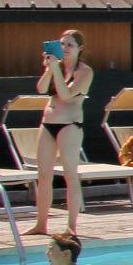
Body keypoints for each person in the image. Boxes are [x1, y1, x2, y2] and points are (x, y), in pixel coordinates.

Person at [30, 29, 93, 237]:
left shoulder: (85, 72)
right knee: (43, 175)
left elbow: (66, 96)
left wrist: (56, 70)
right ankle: (41, 224)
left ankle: (71, 226)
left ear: (80, 48)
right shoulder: (56, 66)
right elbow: (40, 89)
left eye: (70, 45)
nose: (65, 49)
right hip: (48, 123)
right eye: (62, 44)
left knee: (70, 175)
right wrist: (50, 68)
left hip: (70, 124)